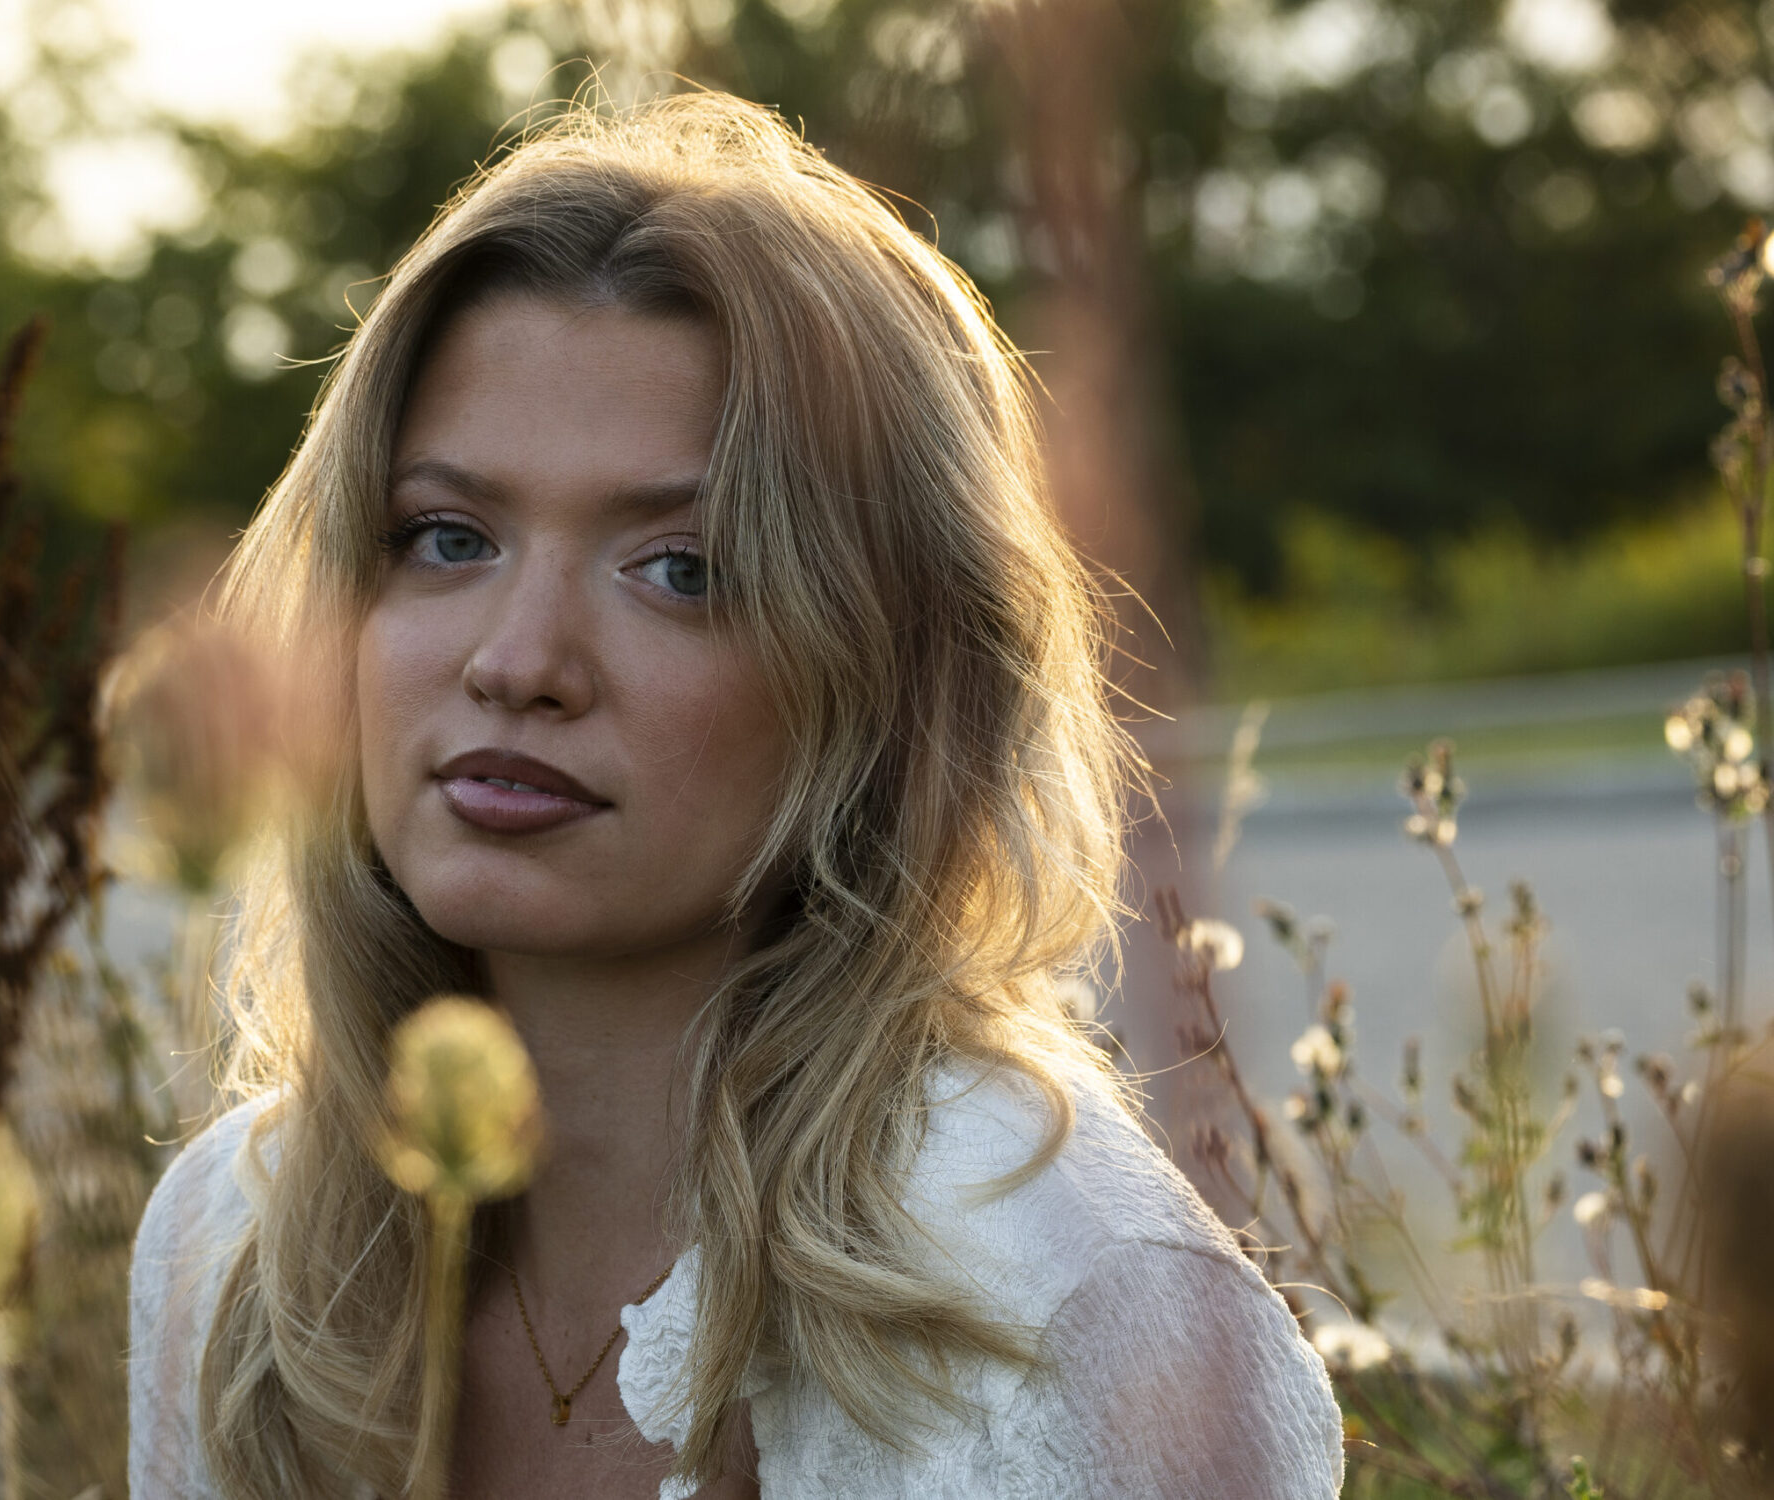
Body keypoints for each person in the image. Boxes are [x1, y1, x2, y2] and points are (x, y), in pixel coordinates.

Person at [128, 90, 1346, 1500]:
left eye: (683, 568)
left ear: (899, 674)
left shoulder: (1087, 1312)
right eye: (445, 537)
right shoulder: (232, 1247)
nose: (519, 662)